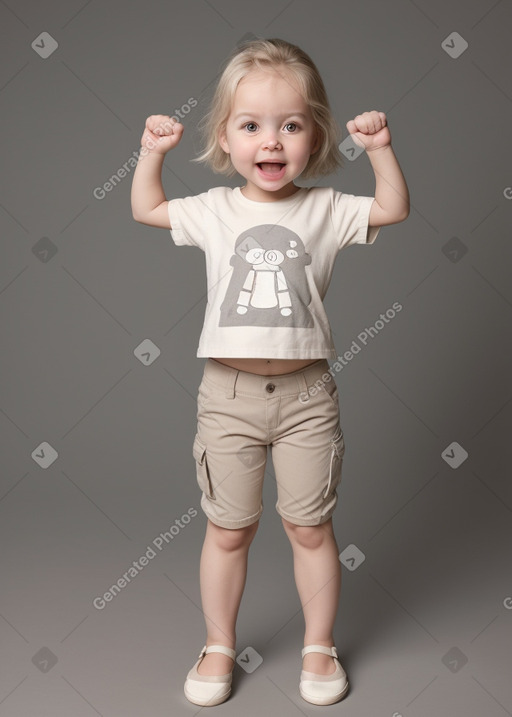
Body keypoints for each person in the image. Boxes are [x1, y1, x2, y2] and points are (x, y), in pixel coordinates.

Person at [131, 37, 409, 707]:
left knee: (309, 525)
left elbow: (392, 208)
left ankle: (320, 644)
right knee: (228, 527)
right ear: (224, 138)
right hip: (226, 396)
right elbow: (146, 208)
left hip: (307, 397)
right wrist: (151, 153)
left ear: (314, 134)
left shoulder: (325, 208)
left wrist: (379, 150)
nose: (272, 141)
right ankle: (219, 642)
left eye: (291, 124)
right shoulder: (215, 209)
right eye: (251, 125)